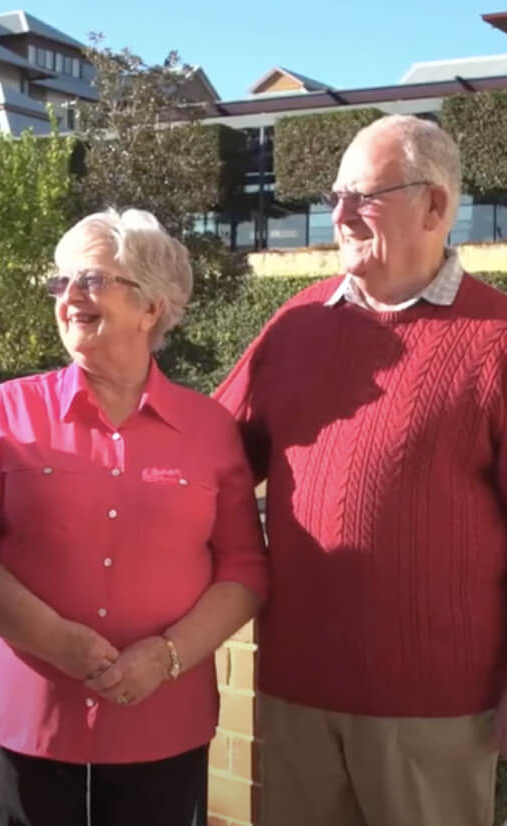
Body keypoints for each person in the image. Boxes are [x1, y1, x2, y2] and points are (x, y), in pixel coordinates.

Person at [0, 207, 268, 826]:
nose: (69, 297)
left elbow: (244, 570)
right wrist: (53, 639)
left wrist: (166, 656)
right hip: (28, 719)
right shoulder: (10, 410)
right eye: (61, 282)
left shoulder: (210, 429)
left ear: (151, 307)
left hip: (162, 724)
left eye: (90, 279)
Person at [214, 113, 507, 826]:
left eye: (364, 197)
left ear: (434, 206)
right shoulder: (297, 323)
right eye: (335, 195)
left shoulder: (497, 339)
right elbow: (208, 455)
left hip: (434, 708)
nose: (338, 215)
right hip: (295, 694)